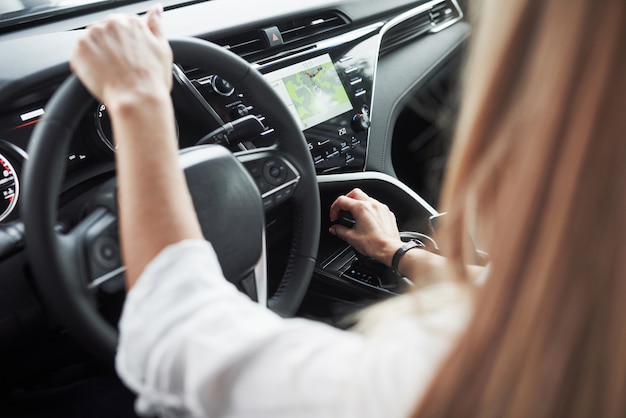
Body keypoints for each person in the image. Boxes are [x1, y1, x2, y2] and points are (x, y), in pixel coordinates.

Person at [69, 0, 626, 416]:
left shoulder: (434, 378)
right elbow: (492, 293)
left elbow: (174, 336)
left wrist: (138, 100)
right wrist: (395, 252)